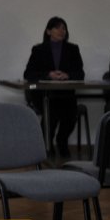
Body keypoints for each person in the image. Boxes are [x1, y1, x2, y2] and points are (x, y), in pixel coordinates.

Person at [23, 16, 84, 157]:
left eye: (64, 28)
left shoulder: (73, 49)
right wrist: (48, 75)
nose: (61, 31)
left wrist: (67, 75)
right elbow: (28, 73)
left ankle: (61, 140)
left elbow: (80, 74)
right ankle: (47, 145)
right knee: (52, 109)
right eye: (57, 27)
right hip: (43, 94)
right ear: (48, 31)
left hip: (65, 94)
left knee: (70, 113)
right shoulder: (38, 49)